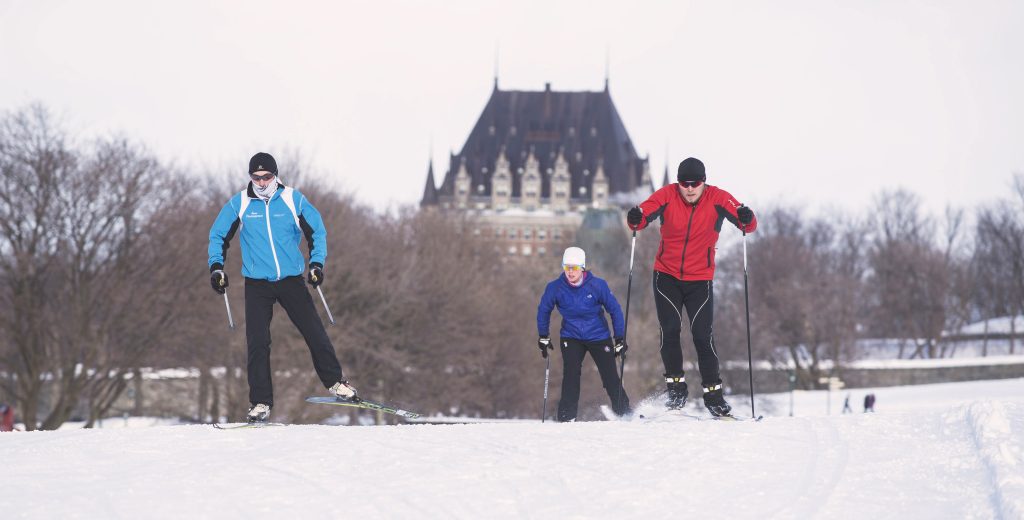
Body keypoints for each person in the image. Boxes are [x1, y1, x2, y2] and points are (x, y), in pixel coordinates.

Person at [208, 152, 356, 423]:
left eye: (267, 177)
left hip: (290, 280)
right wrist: (216, 266)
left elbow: (317, 232)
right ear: (250, 177)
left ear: (275, 176)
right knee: (258, 342)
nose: (262, 183)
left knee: (314, 332)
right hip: (257, 284)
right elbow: (218, 235)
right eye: (256, 177)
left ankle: (336, 383)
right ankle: (261, 402)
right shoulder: (240, 203)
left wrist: (316, 264)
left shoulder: (291, 199)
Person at [626, 157, 757, 417]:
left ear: (703, 182)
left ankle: (714, 397)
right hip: (666, 276)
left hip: (700, 280)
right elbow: (641, 218)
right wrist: (635, 217)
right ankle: (676, 391)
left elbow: (748, 226)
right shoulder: (667, 195)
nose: (689, 189)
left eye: (694, 184)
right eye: (684, 183)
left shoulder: (718, 198)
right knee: (670, 330)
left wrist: (746, 216)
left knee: (702, 335)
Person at [537, 247, 631, 421]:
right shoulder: (555, 287)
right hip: (571, 336)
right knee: (571, 375)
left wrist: (619, 338)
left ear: (582, 267)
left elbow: (615, 310)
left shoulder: (598, 285)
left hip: (598, 336)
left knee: (610, 376)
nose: (570, 272)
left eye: (574, 268)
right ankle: (566, 418)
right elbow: (543, 310)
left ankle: (625, 413)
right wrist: (543, 336)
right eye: (567, 268)